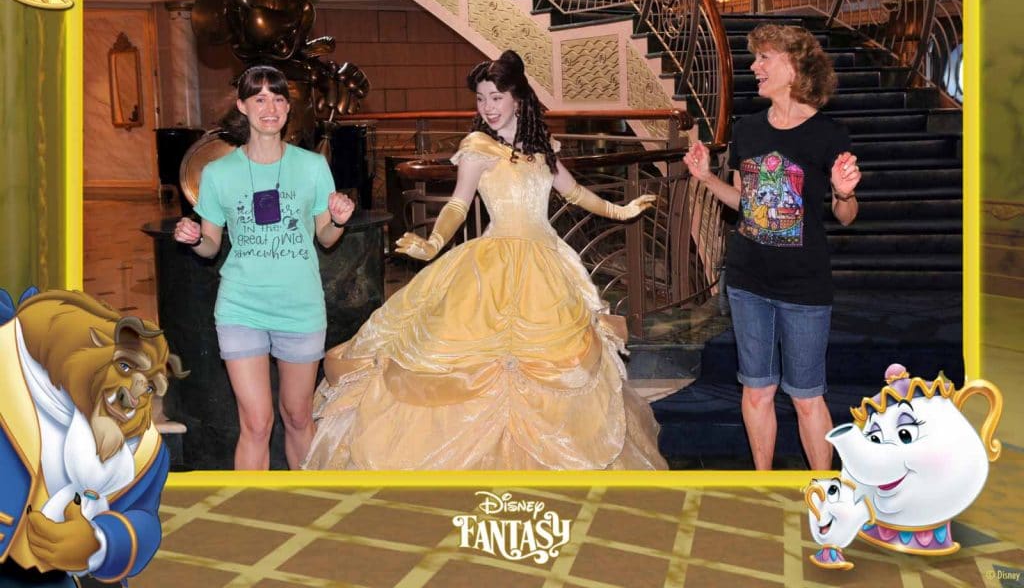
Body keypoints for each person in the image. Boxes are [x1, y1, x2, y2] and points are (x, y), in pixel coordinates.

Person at [303, 50, 668, 470]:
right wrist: (434, 242)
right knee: (474, 362)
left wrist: (620, 211)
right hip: (492, 263)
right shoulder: (477, 148)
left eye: (496, 97)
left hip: (546, 267)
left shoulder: (542, 147)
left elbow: (573, 192)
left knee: (555, 365)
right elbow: (459, 204)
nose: (488, 108)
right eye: (481, 99)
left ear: (517, 98)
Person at [683, 24, 861, 471]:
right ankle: (762, 484)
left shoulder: (828, 134)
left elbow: (847, 217)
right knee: (757, 389)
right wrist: (707, 179)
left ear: (795, 66)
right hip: (748, 280)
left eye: (765, 57)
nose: (754, 66)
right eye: (755, 57)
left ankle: (825, 490)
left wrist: (843, 192)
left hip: (804, 287)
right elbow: (745, 203)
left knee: (806, 397)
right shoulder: (747, 130)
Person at [173, 64, 355, 470]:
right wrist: (194, 238)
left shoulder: (312, 167)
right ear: (243, 106)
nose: (269, 107)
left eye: (277, 98)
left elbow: (326, 238)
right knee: (256, 422)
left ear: (288, 109)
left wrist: (338, 218)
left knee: (298, 417)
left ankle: (308, 511)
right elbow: (210, 246)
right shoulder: (218, 173)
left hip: (300, 308)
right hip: (242, 308)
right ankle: (250, 514)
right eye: (259, 98)